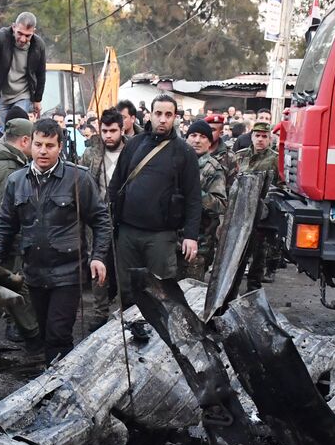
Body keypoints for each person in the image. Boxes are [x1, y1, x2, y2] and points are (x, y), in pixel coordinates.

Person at [0, 119, 109, 366]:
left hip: (68, 271)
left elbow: (100, 220)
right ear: (30, 144)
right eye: (38, 144)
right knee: (44, 332)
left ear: (60, 147)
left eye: (50, 145)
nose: (43, 151)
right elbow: (5, 225)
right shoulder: (16, 181)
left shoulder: (78, 179)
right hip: (34, 272)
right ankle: (52, 379)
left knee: (58, 334)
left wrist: (98, 256)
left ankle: (60, 391)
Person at [106, 94, 201, 307]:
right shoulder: (134, 145)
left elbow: (194, 198)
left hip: (161, 237)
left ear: (175, 117)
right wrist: (108, 221)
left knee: (160, 294)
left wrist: (191, 236)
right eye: (158, 113)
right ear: (150, 115)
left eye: (168, 114)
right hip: (127, 234)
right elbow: (115, 185)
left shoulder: (184, 152)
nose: (163, 119)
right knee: (127, 291)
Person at [0, 117, 39, 345]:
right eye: (35, 142)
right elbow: (8, 214)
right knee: (9, 290)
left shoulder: (0, 161)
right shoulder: (7, 169)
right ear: (24, 141)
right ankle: (31, 334)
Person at [80, 108, 126, 329]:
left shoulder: (132, 150)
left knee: (123, 264)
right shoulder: (91, 152)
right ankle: (99, 312)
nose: (108, 135)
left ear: (121, 129)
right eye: (105, 130)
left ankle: (125, 309)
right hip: (97, 217)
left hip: (125, 216)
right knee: (98, 262)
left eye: (113, 131)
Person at [0, 12, 47, 121]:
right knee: (7, 132)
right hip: (2, 94)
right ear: (14, 27)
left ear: (33, 32)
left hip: (24, 94)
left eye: (27, 35)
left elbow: (41, 74)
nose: (23, 39)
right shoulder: (1, 37)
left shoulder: (39, 45)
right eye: (20, 33)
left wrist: (37, 99)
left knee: (16, 125)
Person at [235, 121, 279, 290]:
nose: (260, 140)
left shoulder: (275, 159)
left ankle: (253, 289)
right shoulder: (239, 156)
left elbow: (280, 187)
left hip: (262, 214)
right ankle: (233, 288)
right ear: (251, 137)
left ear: (270, 139)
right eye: (257, 136)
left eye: (264, 136)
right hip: (240, 212)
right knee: (238, 253)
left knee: (259, 254)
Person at [183, 120, 227, 282]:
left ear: (209, 143)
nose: (197, 140)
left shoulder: (213, 168)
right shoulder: (178, 162)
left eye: (202, 137)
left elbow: (220, 204)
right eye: (193, 135)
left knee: (190, 292)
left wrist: (196, 194)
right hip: (171, 241)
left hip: (199, 244)